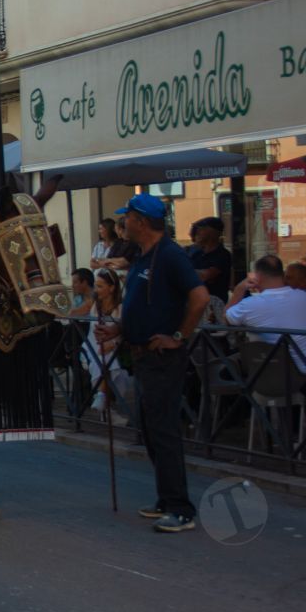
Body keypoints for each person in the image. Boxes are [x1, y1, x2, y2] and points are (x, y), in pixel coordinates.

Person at [95, 193, 208, 533]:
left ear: (141, 221)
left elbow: (200, 298)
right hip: (142, 354)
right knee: (149, 428)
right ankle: (166, 498)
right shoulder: (143, 256)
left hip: (163, 357)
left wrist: (178, 335)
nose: (122, 223)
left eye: (126, 217)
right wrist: (118, 327)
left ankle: (180, 508)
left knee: (163, 431)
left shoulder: (171, 255)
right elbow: (143, 305)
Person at [225, 255, 306, 370]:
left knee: (232, 362)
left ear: (258, 276)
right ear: (281, 274)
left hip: (273, 375)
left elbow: (225, 319)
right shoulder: (303, 296)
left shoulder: (251, 304)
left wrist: (239, 288)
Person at [82, 269, 128, 421]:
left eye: (100, 286)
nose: (96, 290)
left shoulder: (121, 308)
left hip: (115, 348)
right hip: (92, 345)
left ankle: (102, 399)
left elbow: (123, 332)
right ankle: (104, 403)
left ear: (112, 287)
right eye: (96, 286)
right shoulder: (96, 305)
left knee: (107, 358)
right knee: (105, 358)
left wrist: (112, 343)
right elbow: (93, 332)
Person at [188, 217, 232, 301]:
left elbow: (205, 275)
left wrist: (180, 271)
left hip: (213, 304)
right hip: (192, 301)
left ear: (211, 233)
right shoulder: (191, 250)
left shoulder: (222, 255)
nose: (194, 234)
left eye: (199, 230)